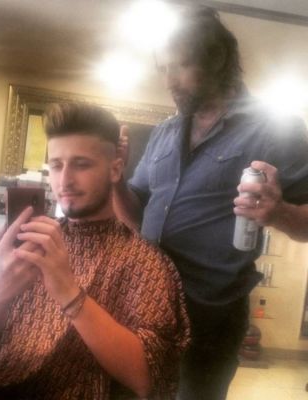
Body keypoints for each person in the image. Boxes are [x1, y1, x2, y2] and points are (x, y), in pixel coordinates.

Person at [0, 102, 190, 399]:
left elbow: (149, 378)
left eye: (81, 164)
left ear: (115, 169)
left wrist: (68, 292)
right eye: (56, 165)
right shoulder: (32, 239)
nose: (64, 181)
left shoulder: (144, 261)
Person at [114, 5, 308, 400]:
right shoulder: (164, 133)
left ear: (217, 59)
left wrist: (280, 212)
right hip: (145, 303)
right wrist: (113, 183)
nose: (168, 81)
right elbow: (135, 216)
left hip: (210, 317)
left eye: (179, 66)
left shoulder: (276, 129)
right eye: (163, 69)